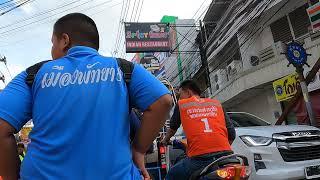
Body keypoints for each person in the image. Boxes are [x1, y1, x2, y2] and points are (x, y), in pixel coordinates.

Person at [0, 13, 172, 180]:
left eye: (53, 43)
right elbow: (163, 101)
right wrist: (139, 150)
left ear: (65, 41)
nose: (52, 51)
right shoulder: (122, 69)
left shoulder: (34, 74)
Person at [160, 80, 235, 180]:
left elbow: (173, 127)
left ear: (188, 92)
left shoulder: (182, 104)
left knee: (171, 176)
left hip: (200, 160)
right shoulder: (216, 104)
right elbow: (232, 134)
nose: (179, 98)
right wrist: (220, 150)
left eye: (180, 94)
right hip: (227, 156)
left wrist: (165, 140)